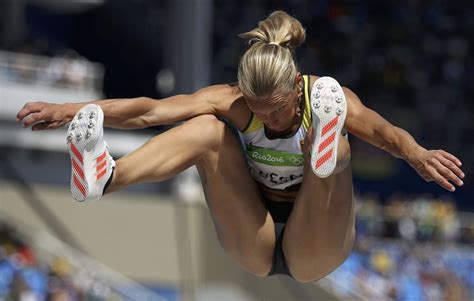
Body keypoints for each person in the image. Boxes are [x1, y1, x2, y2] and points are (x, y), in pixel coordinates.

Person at [16, 11, 464, 283]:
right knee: (207, 131)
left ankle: (323, 151)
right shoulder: (232, 101)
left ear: (294, 86)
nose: (267, 119)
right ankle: (105, 177)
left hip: (317, 244)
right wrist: (74, 108)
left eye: (276, 110)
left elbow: (387, 134)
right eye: (257, 109)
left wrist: (418, 155)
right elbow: (152, 111)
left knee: (340, 147)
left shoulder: (327, 97)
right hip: (258, 236)